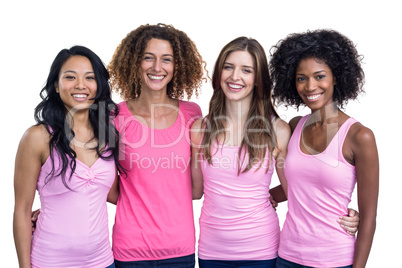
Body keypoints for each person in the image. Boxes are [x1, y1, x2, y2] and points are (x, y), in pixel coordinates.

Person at [269, 29, 379, 268]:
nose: (310, 86)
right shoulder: (295, 126)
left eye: (319, 76)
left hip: (335, 260)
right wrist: (264, 196)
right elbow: (297, 188)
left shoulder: (359, 136)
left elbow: (368, 217)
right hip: (287, 256)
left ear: (336, 77)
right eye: (301, 78)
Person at [107, 23, 207, 267]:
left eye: (167, 59)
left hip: (179, 249)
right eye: (148, 58)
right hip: (129, 249)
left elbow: (196, 190)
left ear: (177, 66)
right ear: (133, 62)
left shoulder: (192, 113)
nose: (157, 67)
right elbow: (105, 186)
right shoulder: (115, 116)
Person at [13, 46, 121, 268]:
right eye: (70, 77)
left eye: (89, 78)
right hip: (50, 262)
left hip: (103, 262)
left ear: (99, 86)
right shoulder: (37, 137)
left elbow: (115, 196)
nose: (80, 85)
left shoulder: (109, 136)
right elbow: (22, 211)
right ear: (56, 84)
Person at [191, 37, 290, 268]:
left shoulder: (278, 130)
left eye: (246, 70)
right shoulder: (199, 128)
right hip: (211, 252)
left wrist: (341, 212)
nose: (235, 77)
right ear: (218, 73)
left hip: (262, 251)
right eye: (228, 67)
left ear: (258, 80)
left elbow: (294, 191)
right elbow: (195, 191)